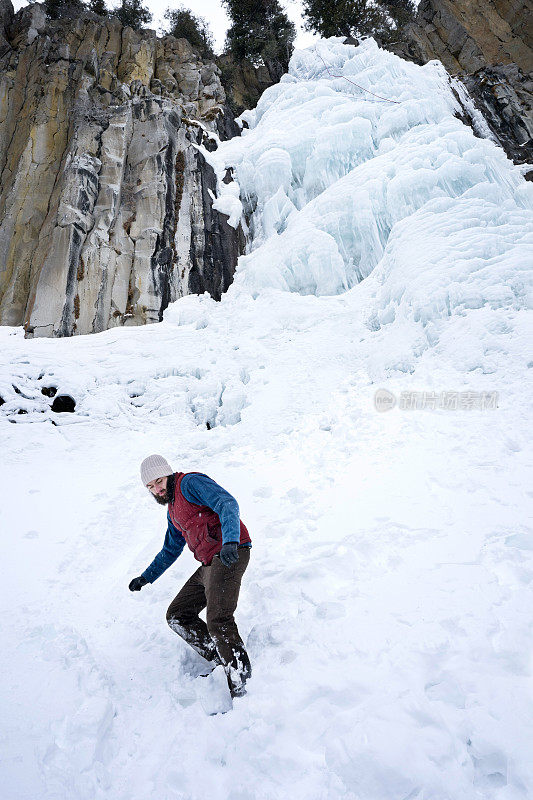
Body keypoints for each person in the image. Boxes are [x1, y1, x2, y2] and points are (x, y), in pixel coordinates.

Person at [129, 454, 252, 698]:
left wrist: (230, 540)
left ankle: (242, 681)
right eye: (150, 486)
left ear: (168, 474)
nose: (157, 489)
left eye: (159, 481)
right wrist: (146, 577)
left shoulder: (190, 484)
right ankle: (221, 659)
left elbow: (227, 503)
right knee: (177, 614)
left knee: (219, 619)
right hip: (209, 563)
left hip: (230, 552)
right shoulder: (172, 511)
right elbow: (170, 549)